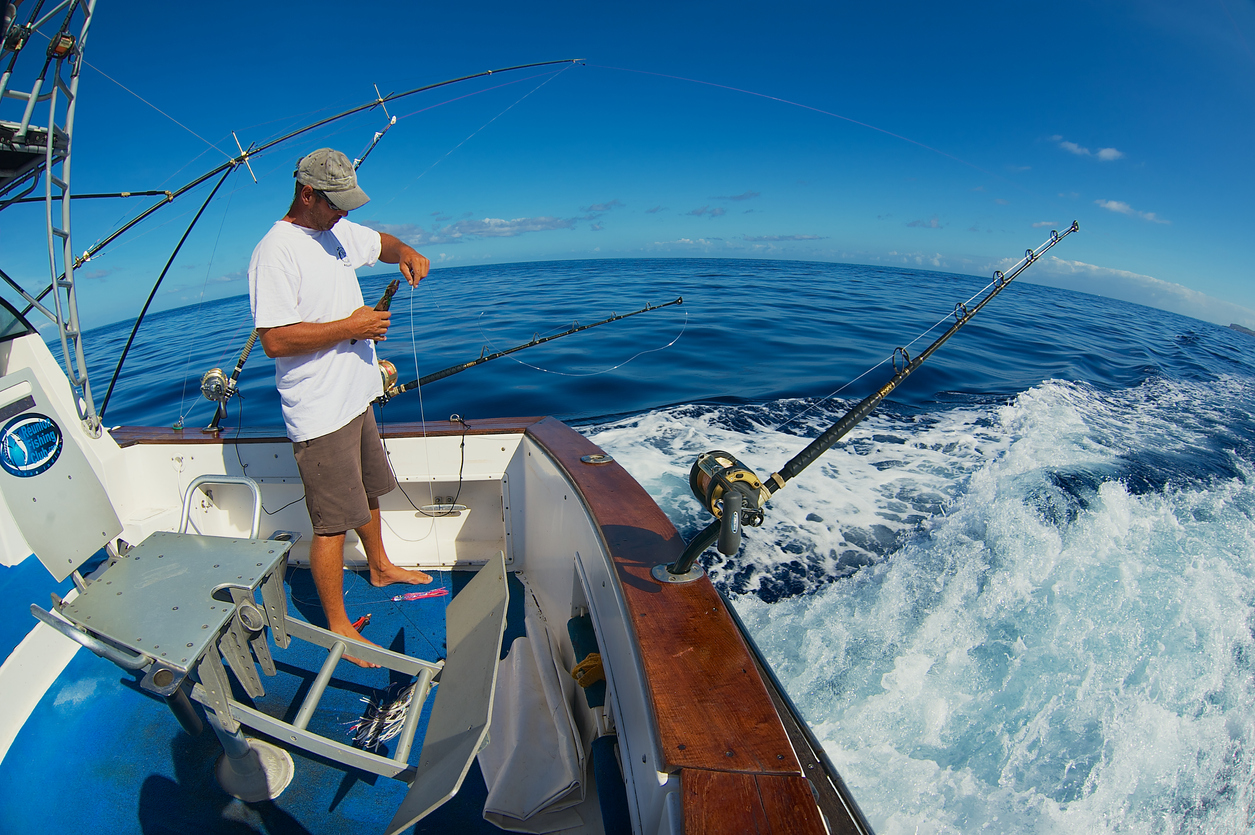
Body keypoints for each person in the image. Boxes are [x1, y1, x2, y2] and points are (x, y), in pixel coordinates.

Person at [248, 147, 431, 667]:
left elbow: (384, 243)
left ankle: (380, 566)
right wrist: (353, 327)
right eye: (336, 203)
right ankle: (338, 627)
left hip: (356, 395)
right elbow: (276, 341)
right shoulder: (275, 251)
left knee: (370, 490)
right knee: (330, 524)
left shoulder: (337, 230)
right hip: (319, 410)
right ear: (307, 193)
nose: (344, 213)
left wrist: (407, 252)